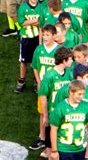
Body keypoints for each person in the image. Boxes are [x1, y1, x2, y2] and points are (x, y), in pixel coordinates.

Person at [29, 24, 60, 152]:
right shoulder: (39, 49)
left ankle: (56, 138)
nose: (45, 37)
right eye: (44, 34)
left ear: (54, 36)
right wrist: (39, 82)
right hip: (43, 87)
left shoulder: (59, 50)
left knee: (57, 112)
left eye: (48, 35)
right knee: (42, 112)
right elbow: (35, 66)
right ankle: (42, 137)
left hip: (56, 88)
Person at [39, 46, 74, 158]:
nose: (72, 60)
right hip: (54, 113)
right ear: (64, 60)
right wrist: (45, 115)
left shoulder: (69, 73)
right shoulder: (49, 76)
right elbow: (43, 96)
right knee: (51, 147)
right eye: (70, 59)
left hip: (66, 112)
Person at [49, 80, 88, 160]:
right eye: (79, 94)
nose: (82, 97)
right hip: (63, 149)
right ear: (71, 92)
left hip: (80, 149)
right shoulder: (60, 108)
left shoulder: (87, 107)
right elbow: (53, 129)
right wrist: (54, 150)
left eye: (83, 94)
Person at [15, 0, 41, 93]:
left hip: (38, 37)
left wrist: (30, 22)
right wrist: (34, 22)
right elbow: (21, 22)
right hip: (26, 38)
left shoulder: (41, 7)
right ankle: (21, 80)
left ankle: (36, 81)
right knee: (24, 60)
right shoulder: (23, 7)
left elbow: (42, 22)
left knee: (37, 60)